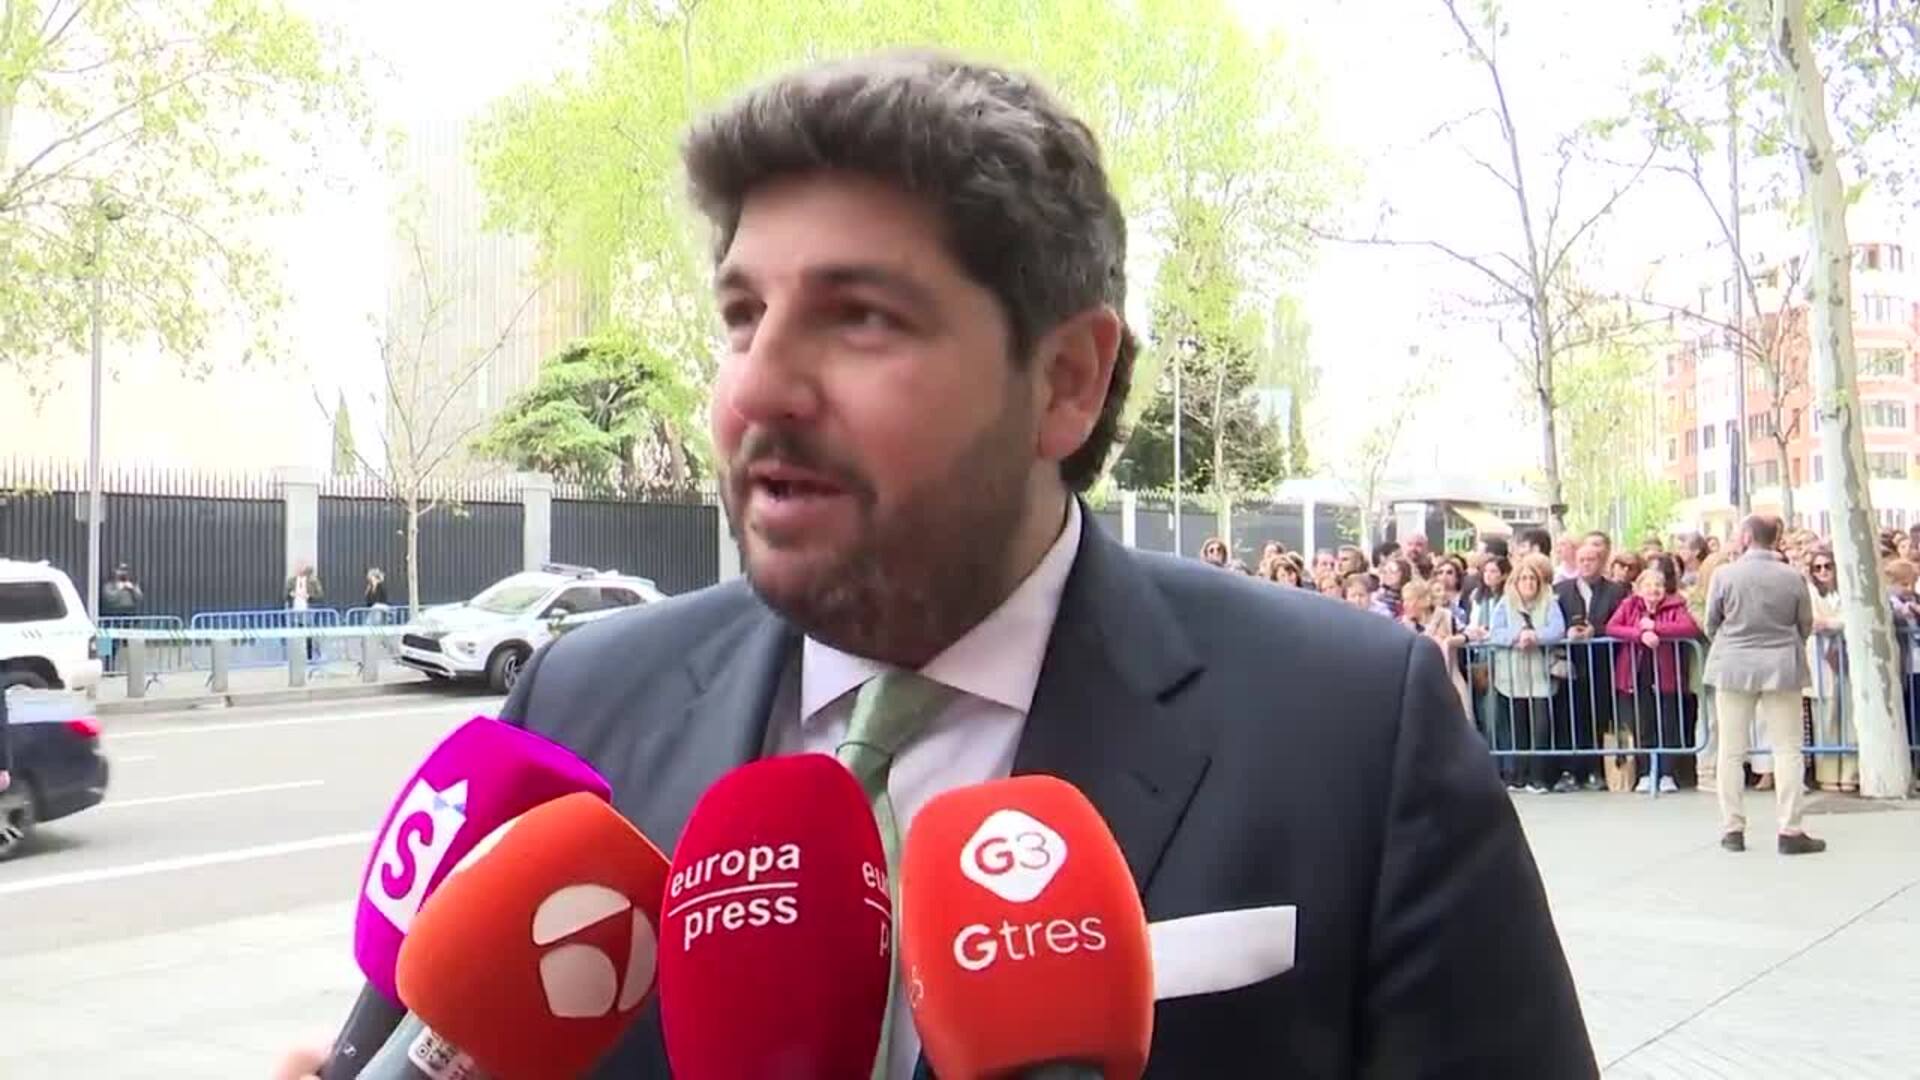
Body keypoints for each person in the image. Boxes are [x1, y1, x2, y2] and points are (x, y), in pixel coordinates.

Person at [278, 50, 1593, 1079]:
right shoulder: (579, 708)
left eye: (859, 318)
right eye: (742, 315)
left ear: (1066, 380)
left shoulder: (1352, 727)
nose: (755, 390)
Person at [1705, 515, 1823, 855]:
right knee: (1787, 749)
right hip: (1781, 664)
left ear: (1746, 536)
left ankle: (1732, 828)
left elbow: (1711, 622)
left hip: (1733, 664)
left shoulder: (1724, 575)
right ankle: (1790, 828)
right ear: (1776, 538)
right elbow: (1805, 623)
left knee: (1731, 750)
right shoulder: (1792, 576)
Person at [1554, 534, 1629, 793]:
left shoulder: (1616, 591)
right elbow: (1553, 621)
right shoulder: (1561, 590)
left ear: (1601, 562)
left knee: (1599, 716)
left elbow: (1620, 621)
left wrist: (1595, 631)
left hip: (1602, 664)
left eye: (1591, 560)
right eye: (1582, 560)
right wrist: (1568, 633)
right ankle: (1570, 770)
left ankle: (1597, 770)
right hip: (1570, 664)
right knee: (1569, 717)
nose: (1586, 564)